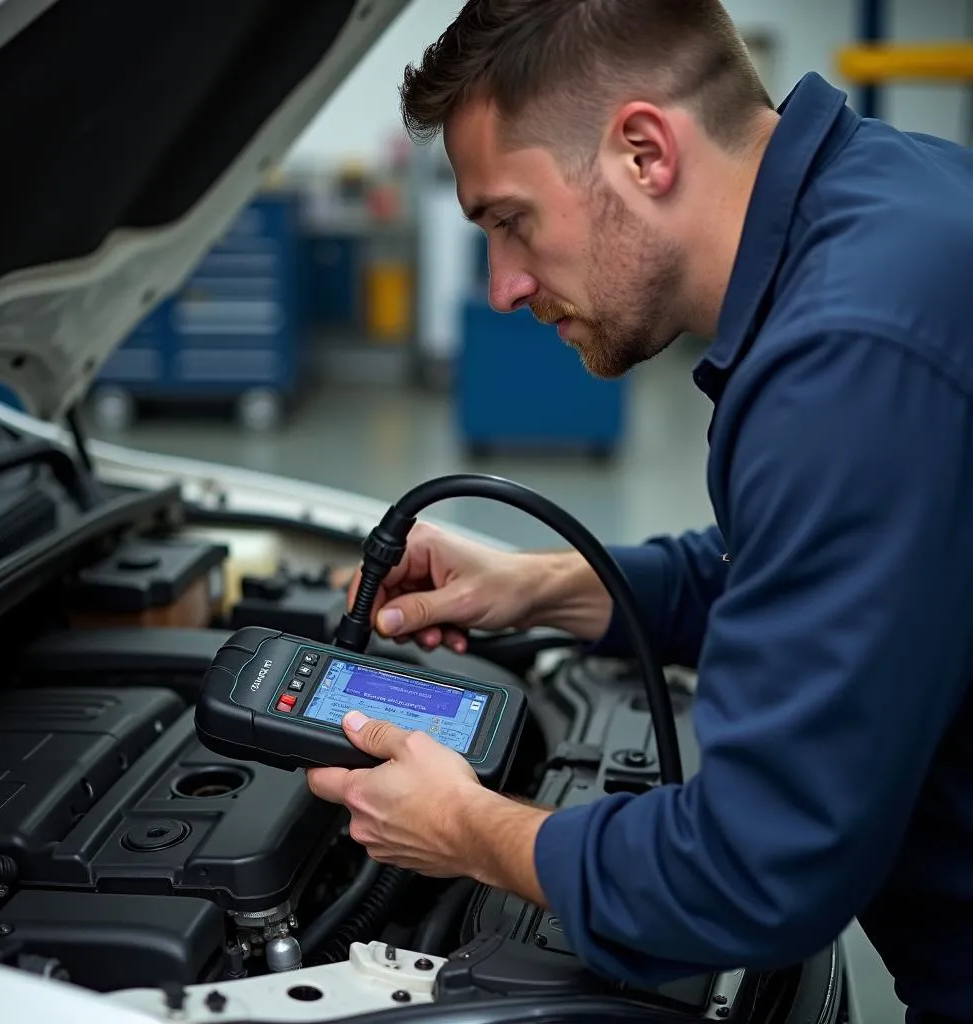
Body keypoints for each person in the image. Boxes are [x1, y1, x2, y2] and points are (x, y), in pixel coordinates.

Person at [305, 1, 973, 1020]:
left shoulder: (844, 355)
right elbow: (797, 574)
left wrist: (470, 828)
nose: (503, 285)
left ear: (642, 151)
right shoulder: (885, 197)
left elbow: (759, 866)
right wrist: (536, 585)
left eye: (509, 220)